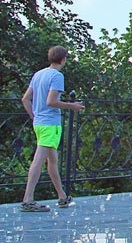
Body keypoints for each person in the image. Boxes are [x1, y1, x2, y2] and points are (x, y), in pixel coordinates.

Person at [21, 46, 85, 212]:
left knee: (53, 161)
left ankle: (62, 196)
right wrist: (72, 106)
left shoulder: (39, 74)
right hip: (50, 124)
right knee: (39, 160)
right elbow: (51, 101)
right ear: (63, 59)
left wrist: (34, 116)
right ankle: (28, 200)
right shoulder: (57, 76)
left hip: (40, 124)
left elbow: (25, 99)